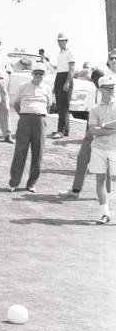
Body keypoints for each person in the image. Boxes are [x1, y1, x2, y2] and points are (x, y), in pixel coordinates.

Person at [59, 67, 105, 199]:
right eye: (94, 80)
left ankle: (103, 194)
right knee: (82, 159)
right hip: (90, 133)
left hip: (103, 134)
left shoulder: (110, 93)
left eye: (98, 80)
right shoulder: (94, 92)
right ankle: (76, 191)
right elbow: (91, 115)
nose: (96, 83)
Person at [8, 62, 52, 193]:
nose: (38, 75)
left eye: (41, 73)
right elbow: (15, 104)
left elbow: (48, 106)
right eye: (36, 73)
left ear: (44, 75)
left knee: (38, 153)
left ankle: (32, 183)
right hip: (25, 120)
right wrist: (24, 115)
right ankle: (14, 182)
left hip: (40, 120)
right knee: (20, 151)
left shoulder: (47, 88)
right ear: (32, 74)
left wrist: (40, 115)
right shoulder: (23, 86)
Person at [87, 75, 116, 224]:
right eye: (109, 88)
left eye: (113, 87)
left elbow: (98, 129)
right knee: (100, 180)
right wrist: (112, 129)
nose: (112, 90)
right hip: (98, 148)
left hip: (114, 149)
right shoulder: (94, 109)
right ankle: (105, 213)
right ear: (100, 90)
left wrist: (103, 126)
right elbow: (92, 131)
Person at [52, 32, 75, 138]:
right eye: (59, 41)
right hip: (59, 77)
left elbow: (71, 69)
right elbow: (59, 68)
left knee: (64, 107)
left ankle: (60, 131)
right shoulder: (60, 54)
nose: (61, 42)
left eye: (63, 40)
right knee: (61, 106)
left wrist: (67, 82)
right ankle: (65, 130)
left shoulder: (70, 52)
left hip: (66, 78)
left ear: (66, 41)